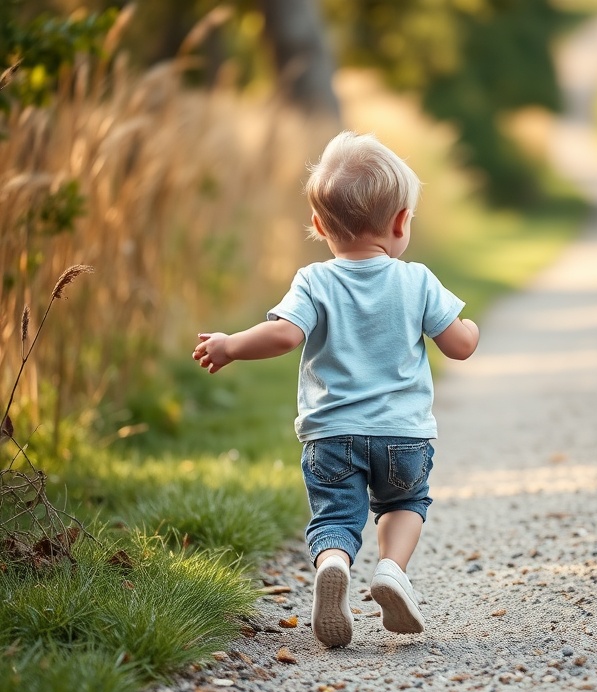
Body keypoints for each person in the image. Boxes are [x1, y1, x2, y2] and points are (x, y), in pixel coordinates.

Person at [193, 131, 480, 647]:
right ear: (400, 222)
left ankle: (333, 564)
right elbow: (459, 345)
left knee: (335, 516)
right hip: (403, 438)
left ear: (320, 225)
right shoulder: (417, 280)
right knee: (406, 502)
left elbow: (284, 334)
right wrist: (470, 327)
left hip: (332, 436)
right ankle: (392, 570)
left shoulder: (313, 280)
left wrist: (231, 345)